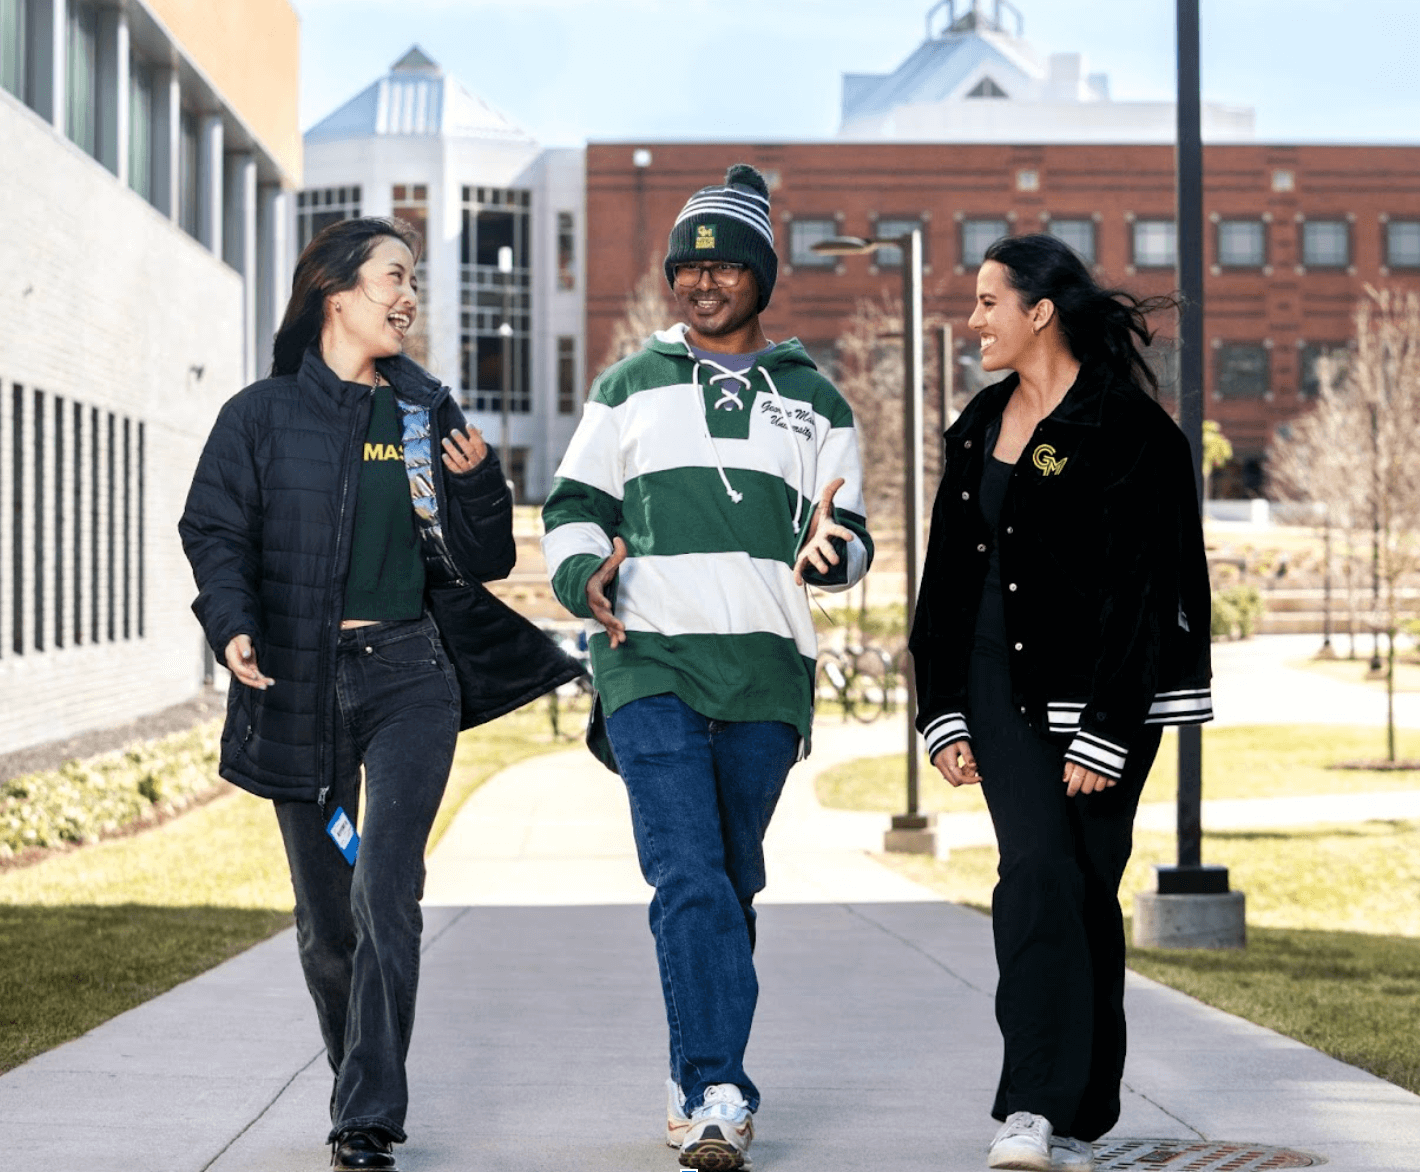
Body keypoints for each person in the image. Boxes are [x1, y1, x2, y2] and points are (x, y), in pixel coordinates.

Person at [179, 217, 573, 1172]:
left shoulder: (422, 412)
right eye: (394, 276)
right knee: (326, 921)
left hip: (410, 679)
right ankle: (358, 1076)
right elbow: (214, 531)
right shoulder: (260, 416)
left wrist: (482, 490)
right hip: (301, 688)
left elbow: (481, 562)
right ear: (337, 291)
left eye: (413, 282)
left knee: (384, 886)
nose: (409, 297)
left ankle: (367, 1114)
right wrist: (230, 622)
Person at [541, 164, 873, 1171]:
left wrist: (835, 553)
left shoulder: (816, 400)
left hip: (767, 670)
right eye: (687, 265)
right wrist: (576, 577)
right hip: (647, 659)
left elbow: (847, 531)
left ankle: (708, 1062)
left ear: (759, 276)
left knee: (731, 879)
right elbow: (572, 509)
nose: (701, 280)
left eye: (723, 263)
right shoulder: (627, 383)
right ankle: (713, 1088)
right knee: (686, 869)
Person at [908, 234, 1212, 1172]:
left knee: (1082, 891)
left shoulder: (1132, 432)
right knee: (1035, 872)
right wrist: (944, 708)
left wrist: (1108, 731)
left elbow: (1147, 594)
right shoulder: (977, 425)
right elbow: (947, 582)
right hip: (1000, 687)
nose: (973, 320)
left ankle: (1081, 1109)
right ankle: (1031, 1108)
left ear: (1039, 311)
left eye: (988, 301)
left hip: (1103, 694)